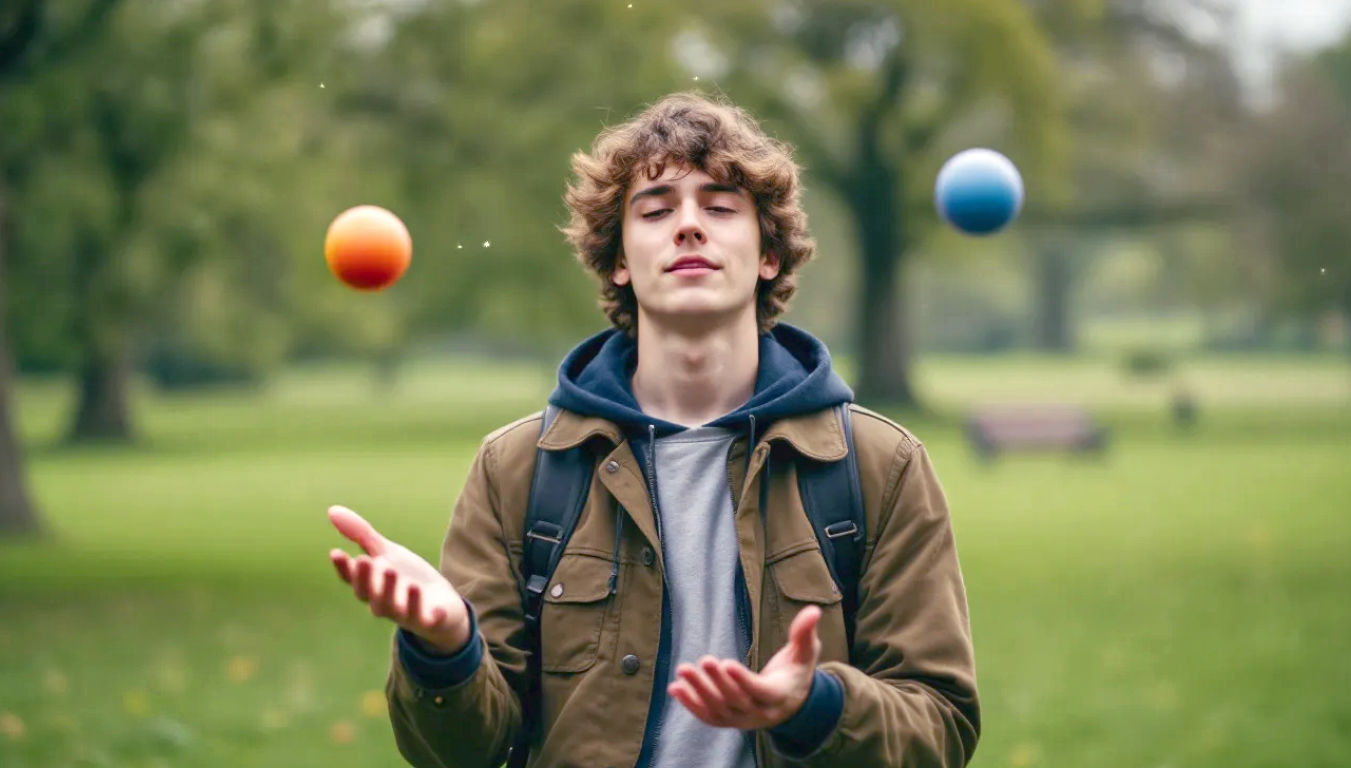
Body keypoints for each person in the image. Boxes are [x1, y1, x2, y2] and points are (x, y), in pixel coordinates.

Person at [326, 92, 980, 768]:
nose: (689, 226)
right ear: (618, 259)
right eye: (657, 209)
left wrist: (813, 707)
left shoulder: (879, 466)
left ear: (769, 256)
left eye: (721, 206)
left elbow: (942, 725)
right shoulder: (517, 469)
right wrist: (446, 645)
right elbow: (462, 751)